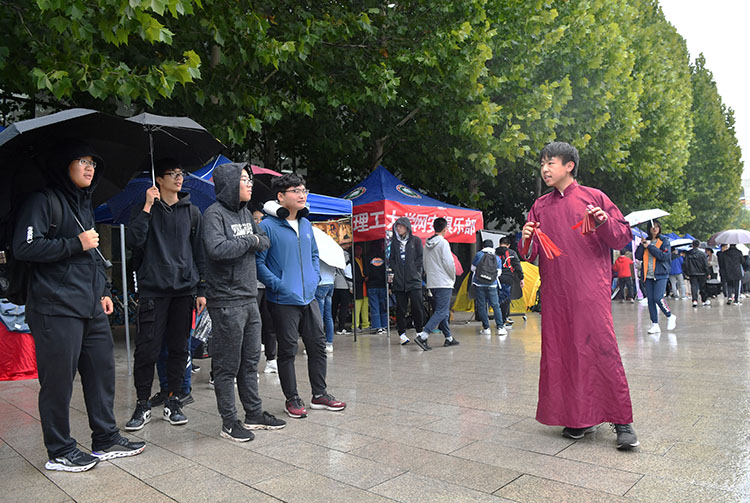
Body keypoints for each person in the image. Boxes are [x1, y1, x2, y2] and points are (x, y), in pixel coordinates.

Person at [13, 141, 145, 471]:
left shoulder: (84, 205)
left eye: (93, 164)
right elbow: (24, 247)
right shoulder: (42, 200)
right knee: (58, 382)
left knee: (102, 373)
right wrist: (76, 243)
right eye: (82, 161)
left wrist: (102, 290)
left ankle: (105, 437)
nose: (90, 168)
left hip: (89, 305)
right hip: (55, 307)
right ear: (64, 164)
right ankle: (60, 449)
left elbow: (90, 258)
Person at [521, 141, 638, 450]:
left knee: (601, 349)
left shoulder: (593, 197)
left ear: (569, 166)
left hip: (590, 291)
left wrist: (604, 221)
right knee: (563, 351)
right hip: (556, 295)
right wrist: (526, 238)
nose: (545, 169)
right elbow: (529, 254)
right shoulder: (540, 206)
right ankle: (578, 418)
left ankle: (622, 421)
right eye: (543, 163)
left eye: (551, 163)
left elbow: (621, 236)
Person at [202, 163, 285, 441]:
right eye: (244, 179)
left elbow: (264, 241)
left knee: (251, 361)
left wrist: (249, 240)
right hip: (226, 301)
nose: (249, 184)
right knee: (227, 366)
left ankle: (254, 413)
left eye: (249, 179)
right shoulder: (213, 215)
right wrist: (250, 241)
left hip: (250, 298)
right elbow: (216, 249)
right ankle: (229, 422)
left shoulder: (246, 213)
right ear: (228, 183)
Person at [124, 158, 206, 431]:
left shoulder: (192, 212)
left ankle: (173, 400)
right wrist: (148, 206)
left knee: (179, 349)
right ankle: (143, 403)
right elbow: (133, 242)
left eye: (180, 173)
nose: (178, 178)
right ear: (159, 179)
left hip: (183, 291)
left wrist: (201, 288)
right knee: (147, 350)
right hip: (153, 291)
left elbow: (199, 253)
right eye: (172, 174)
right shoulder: (143, 208)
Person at [256, 173, 346, 419]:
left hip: (309, 297)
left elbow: (315, 254)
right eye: (296, 190)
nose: (301, 194)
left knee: (317, 346)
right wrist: (278, 285)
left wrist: (315, 277)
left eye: (303, 189)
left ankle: (320, 394)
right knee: (287, 351)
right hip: (283, 300)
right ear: (281, 196)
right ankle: (292, 399)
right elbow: (259, 263)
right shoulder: (267, 226)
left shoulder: (306, 224)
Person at [418, 217, 458, 349]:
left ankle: (448, 337)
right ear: (445, 229)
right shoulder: (443, 243)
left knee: (443, 310)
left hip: (432, 281)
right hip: (444, 281)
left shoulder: (427, 244)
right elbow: (448, 263)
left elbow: (424, 263)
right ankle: (423, 335)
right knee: (441, 311)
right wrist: (452, 277)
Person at [388, 217, 425, 347]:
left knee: (417, 306)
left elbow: (421, 258)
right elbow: (391, 258)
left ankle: (419, 331)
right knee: (400, 309)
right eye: (397, 226)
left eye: (401, 226)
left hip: (414, 280)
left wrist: (414, 270)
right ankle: (402, 334)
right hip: (399, 281)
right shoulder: (394, 243)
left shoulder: (416, 240)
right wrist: (396, 269)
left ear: (407, 227)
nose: (399, 228)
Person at [635, 219, 676, 334]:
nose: (655, 229)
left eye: (657, 226)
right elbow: (638, 256)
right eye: (653, 227)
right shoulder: (645, 241)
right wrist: (642, 246)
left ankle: (669, 315)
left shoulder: (664, 241)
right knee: (651, 300)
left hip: (661, 274)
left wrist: (650, 247)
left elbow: (664, 256)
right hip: (647, 274)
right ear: (649, 229)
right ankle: (654, 324)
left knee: (658, 297)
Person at [253, 209, 278, 373]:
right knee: (253, 326)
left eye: (262, 218)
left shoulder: (270, 235)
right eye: (255, 219)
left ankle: (271, 360)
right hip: (252, 287)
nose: (259, 221)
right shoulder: (249, 236)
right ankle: (250, 366)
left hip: (267, 286)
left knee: (270, 325)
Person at [471, 239, 504, 336]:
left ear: (483, 246)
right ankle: (500, 327)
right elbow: (499, 272)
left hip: (479, 284)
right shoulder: (496, 257)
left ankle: (486, 328)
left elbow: (472, 268)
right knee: (495, 305)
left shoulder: (478, 255)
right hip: (492, 285)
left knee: (482, 306)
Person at [496, 235, 524, 328]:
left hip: (495, 279)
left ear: (500, 244)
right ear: (508, 245)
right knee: (505, 300)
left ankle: (499, 319)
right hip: (507, 278)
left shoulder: (494, 252)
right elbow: (517, 266)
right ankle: (503, 320)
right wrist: (521, 278)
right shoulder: (512, 253)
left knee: (496, 300)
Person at [364, 242, 388, 334]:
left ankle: (377, 327)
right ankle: (385, 326)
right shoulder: (384, 256)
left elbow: (366, 272)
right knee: (383, 306)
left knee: (374, 306)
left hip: (372, 285)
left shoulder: (367, 257)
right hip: (382, 285)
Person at [682, 240, 711, 307]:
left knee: (694, 287)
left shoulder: (688, 254)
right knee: (702, 287)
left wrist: (686, 272)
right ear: (699, 245)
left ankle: (694, 300)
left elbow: (685, 264)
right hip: (702, 273)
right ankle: (704, 300)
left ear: (692, 245)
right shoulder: (702, 254)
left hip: (692, 273)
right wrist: (708, 273)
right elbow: (705, 265)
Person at [316, 260, 336, 352]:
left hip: (321, 284)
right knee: (328, 316)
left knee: (319, 316)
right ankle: (329, 343)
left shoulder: (319, 256)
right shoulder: (332, 256)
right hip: (330, 284)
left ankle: (318, 343)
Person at [332, 257, 353, 335]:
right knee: (343, 308)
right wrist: (351, 286)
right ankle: (341, 327)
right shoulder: (346, 257)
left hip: (334, 285)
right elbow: (348, 273)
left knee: (333, 307)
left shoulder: (331, 256)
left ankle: (331, 326)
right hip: (344, 286)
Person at [352, 244, 370, 331]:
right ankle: (355, 325)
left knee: (365, 307)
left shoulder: (363, 260)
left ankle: (365, 324)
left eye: (360, 249)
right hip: (358, 285)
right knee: (357, 307)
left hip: (365, 286)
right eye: (357, 249)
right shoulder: (352, 261)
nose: (358, 251)